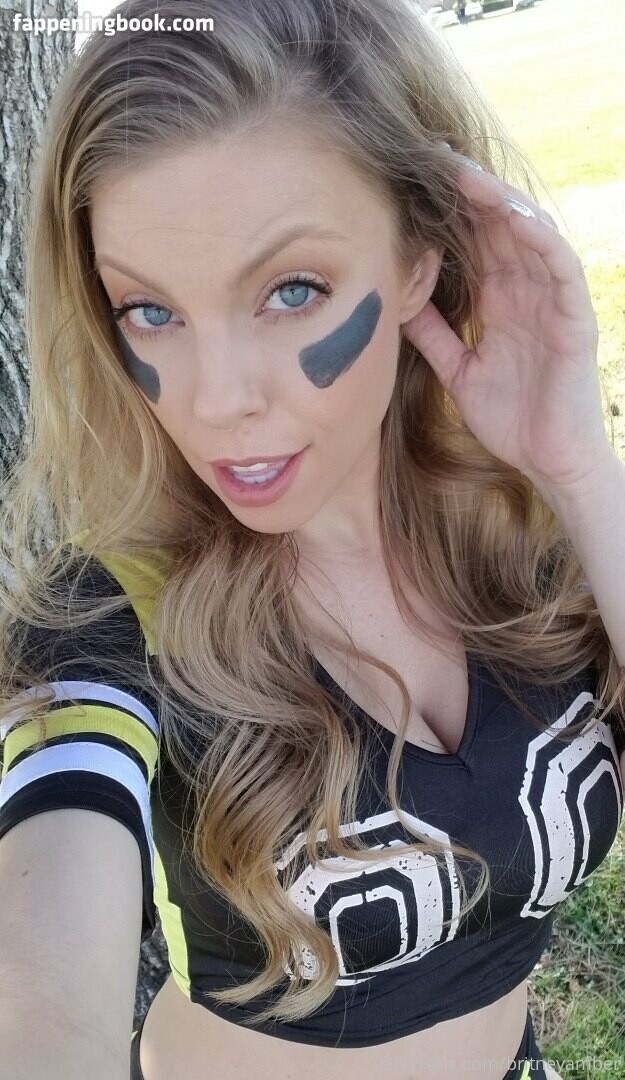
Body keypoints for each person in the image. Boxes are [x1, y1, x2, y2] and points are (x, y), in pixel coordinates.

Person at [1, 0, 624, 1078]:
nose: (215, 402)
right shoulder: (106, 614)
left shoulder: (527, 517)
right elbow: (41, 975)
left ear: (420, 258)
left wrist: (575, 470)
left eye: (290, 290)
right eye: (150, 310)